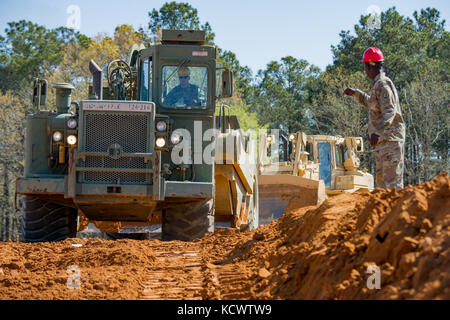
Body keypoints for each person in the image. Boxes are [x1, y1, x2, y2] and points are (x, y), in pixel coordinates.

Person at [343, 47, 406, 189]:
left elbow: (390, 111)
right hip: (383, 142)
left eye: (366, 66)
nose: (365, 70)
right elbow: (372, 104)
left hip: (390, 140)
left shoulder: (383, 84)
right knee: (382, 186)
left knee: (392, 185)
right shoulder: (377, 85)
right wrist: (355, 93)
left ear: (370, 66)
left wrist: (377, 132)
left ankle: (397, 211)